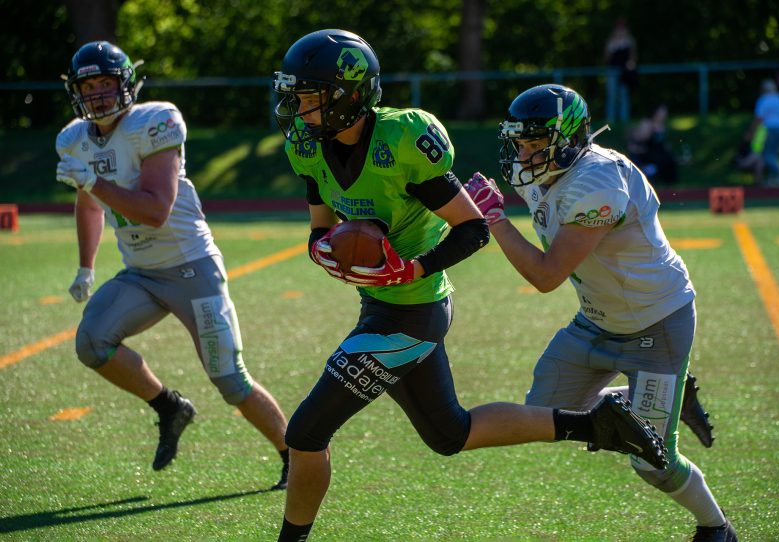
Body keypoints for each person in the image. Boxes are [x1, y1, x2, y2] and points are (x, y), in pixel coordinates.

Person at [271, 29, 667, 542]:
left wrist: (412, 267)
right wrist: (323, 249)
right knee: (449, 434)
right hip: (381, 306)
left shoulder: (402, 141)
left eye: (310, 97)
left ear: (349, 94)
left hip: (412, 313)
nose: (298, 109)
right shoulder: (309, 147)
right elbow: (321, 227)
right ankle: (597, 423)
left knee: (305, 433)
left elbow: (473, 227)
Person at [463, 84, 736, 541]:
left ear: (568, 140)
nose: (525, 153)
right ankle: (658, 396)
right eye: (520, 142)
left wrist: (494, 220)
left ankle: (717, 529)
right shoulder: (547, 173)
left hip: (656, 322)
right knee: (546, 414)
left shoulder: (597, 184)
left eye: (535, 143)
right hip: (597, 319)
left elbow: (547, 275)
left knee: (653, 463)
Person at [55, 41, 290, 488]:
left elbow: (155, 209)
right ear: (75, 90)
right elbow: (88, 207)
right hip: (142, 274)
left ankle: (293, 454)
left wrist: (93, 181)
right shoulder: (73, 139)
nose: (99, 94)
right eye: (89, 85)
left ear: (127, 84)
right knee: (92, 343)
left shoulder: (155, 121)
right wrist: (86, 266)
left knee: (230, 380)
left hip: (191, 268)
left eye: (107, 83)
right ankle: (168, 406)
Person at [747, 79, 779, 186]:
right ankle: (772, 180)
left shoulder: (763, 100)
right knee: (774, 154)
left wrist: (751, 132)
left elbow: (759, 119)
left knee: (767, 155)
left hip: (770, 128)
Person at [627, 104, 678, 185]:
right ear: (655, 112)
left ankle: (667, 183)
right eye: (662, 111)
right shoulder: (647, 123)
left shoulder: (662, 125)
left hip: (659, 154)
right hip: (648, 155)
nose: (665, 114)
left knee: (669, 159)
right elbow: (638, 141)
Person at [603, 18, 638, 123]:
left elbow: (633, 58)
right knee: (612, 96)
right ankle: (610, 120)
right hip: (612, 72)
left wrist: (630, 64)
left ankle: (624, 120)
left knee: (624, 96)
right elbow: (606, 59)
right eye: (619, 28)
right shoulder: (610, 41)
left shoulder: (630, 41)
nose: (621, 31)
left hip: (625, 73)